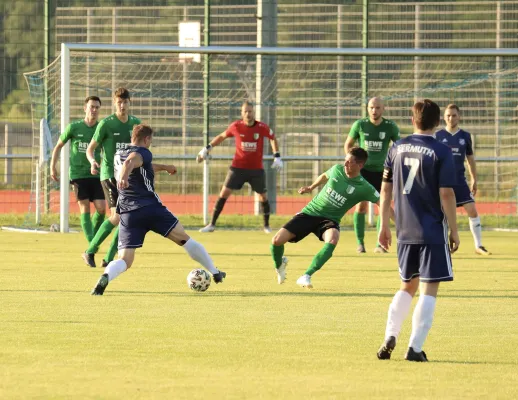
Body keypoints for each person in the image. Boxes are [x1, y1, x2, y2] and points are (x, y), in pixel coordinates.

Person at [91, 124, 226, 295]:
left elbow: (139, 165)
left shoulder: (120, 153)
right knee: (184, 239)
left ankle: (106, 277)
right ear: (146, 139)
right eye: (150, 141)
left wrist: (165, 167)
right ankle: (215, 272)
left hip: (128, 213)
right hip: (151, 208)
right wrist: (125, 174)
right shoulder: (142, 152)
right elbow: (132, 161)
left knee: (125, 260)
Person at [376, 99, 460, 362]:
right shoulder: (441, 151)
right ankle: (414, 347)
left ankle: (390, 334)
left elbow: (386, 190)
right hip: (431, 230)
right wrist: (454, 231)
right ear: (437, 123)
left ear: (412, 120)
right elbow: (446, 193)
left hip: (404, 230)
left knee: (406, 286)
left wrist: (383, 226)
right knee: (429, 289)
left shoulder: (397, 148)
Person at [270, 147, 381, 289]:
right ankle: (279, 265)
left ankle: (306, 276)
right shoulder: (337, 169)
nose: (345, 164)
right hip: (310, 213)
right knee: (276, 241)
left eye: (349, 162)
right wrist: (311, 187)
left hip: (329, 220)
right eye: (345, 160)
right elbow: (324, 175)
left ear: (360, 165)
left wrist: (401, 224)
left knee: (333, 238)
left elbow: (382, 204)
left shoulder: (365, 187)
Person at [197, 101, 283, 234]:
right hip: (237, 168)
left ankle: (266, 226)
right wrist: (206, 148)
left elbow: (272, 138)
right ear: (242, 113)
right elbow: (221, 136)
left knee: (263, 197)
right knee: (223, 194)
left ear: (253, 112)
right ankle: (212, 224)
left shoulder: (261, 127)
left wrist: (277, 156)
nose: (248, 114)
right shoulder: (236, 126)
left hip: (256, 170)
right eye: (246, 111)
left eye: (250, 111)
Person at [83, 87, 141, 268]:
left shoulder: (135, 124)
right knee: (117, 217)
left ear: (130, 103)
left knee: (126, 218)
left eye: (125, 102)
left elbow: (140, 151)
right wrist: (93, 161)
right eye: (119, 103)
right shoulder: (106, 124)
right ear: (114, 103)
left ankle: (107, 259)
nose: (122, 106)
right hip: (109, 174)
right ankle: (90, 250)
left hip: (127, 176)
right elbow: (90, 148)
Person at [344, 97, 400, 254]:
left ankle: (380, 244)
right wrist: (352, 163)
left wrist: (395, 162)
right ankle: (360, 243)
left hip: (383, 172)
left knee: (384, 206)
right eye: (371, 107)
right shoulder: (360, 125)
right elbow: (348, 145)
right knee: (360, 206)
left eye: (377, 107)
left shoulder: (390, 126)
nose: (374, 110)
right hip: (363, 172)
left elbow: (399, 146)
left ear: (383, 109)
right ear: (367, 109)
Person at [435, 104, 491, 255]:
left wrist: (474, 179)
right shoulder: (438, 136)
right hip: (443, 182)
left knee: (472, 210)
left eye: (453, 115)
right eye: (448, 115)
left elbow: (470, 159)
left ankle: (478, 246)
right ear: (444, 117)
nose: (450, 118)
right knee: (442, 214)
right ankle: (442, 245)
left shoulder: (465, 136)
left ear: (459, 116)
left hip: (459, 180)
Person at [50, 96, 106, 243]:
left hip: (97, 174)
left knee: (101, 209)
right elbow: (58, 147)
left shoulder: (102, 128)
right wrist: (52, 166)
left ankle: (92, 241)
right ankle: (92, 245)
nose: (94, 110)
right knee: (85, 208)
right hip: (78, 174)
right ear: (85, 108)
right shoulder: (74, 127)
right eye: (91, 106)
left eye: (97, 107)